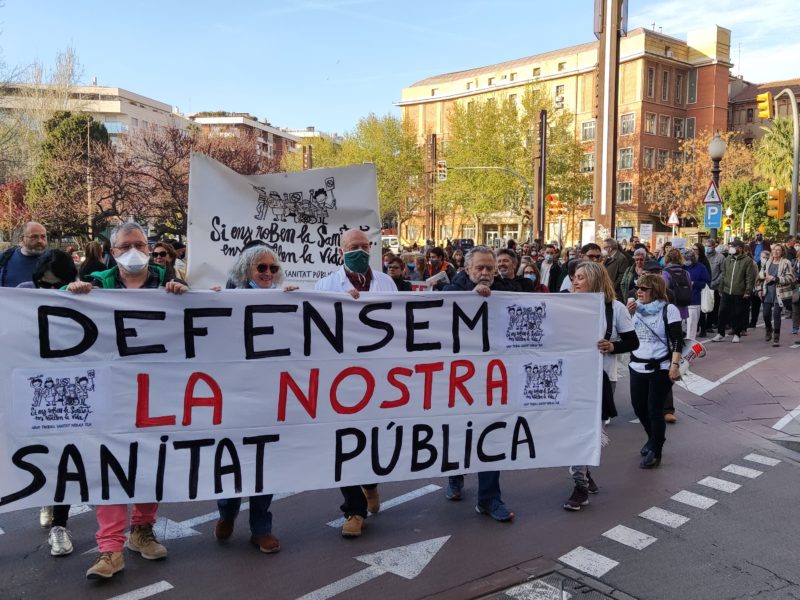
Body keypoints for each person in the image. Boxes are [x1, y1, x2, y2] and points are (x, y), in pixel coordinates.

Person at [67, 222, 188, 579]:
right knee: (110, 465)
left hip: (158, 392)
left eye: (140, 244)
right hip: (110, 393)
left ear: (150, 249)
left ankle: (142, 529)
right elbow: (49, 314)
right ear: (112, 251)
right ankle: (109, 548)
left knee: (151, 460)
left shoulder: (171, 284)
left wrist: (186, 294)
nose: (133, 251)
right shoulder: (98, 283)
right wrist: (68, 292)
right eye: (124, 246)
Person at [213, 245, 296, 553]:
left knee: (265, 463)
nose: (268, 274)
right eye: (261, 268)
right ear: (246, 269)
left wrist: (298, 303)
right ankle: (227, 511)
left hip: (270, 397)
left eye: (273, 269)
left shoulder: (285, 298)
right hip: (234, 396)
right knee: (234, 461)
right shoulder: (226, 298)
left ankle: (261, 528)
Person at [315, 228, 395, 538]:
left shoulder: (386, 283)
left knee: (374, 438)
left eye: (364, 246)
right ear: (340, 251)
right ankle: (353, 510)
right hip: (342, 378)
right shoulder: (326, 286)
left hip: (380, 376)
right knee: (344, 441)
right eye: (353, 247)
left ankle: (371, 484)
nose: (359, 251)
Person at [442, 246, 514, 522]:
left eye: (490, 269)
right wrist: (467, 298)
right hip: (457, 379)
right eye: (479, 268)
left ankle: (489, 499)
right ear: (467, 270)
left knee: (490, 436)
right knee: (458, 432)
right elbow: (440, 302)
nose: (485, 273)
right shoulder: (454, 289)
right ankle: (455, 476)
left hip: (492, 379)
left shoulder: (507, 290)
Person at [17, 249, 79, 556]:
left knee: (64, 456)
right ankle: (45, 496)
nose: (51, 291)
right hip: (28, 390)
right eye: (46, 284)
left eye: (59, 285)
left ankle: (60, 524)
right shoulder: (21, 297)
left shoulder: (81, 298)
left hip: (67, 393)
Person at [563, 261, 638, 511]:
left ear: (594, 280)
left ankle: (580, 484)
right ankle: (581, 478)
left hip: (600, 379)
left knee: (587, 431)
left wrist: (612, 346)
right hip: (570, 377)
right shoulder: (565, 304)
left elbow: (632, 342)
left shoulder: (615, 309)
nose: (575, 281)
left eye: (581, 277)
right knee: (574, 431)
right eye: (574, 277)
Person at [627, 273, 684, 469]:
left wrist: (674, 365)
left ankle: (656, 450)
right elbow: (623, 333)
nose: (639, 292)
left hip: (660, 367)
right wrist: (627, 314)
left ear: (656, 290)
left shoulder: (669, 309)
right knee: (638, 407)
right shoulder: (634, 309)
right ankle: (653, 438)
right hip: (636, 365)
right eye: (638, 288)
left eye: (644, 289)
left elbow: (677, 340)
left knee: (654, 410)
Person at [712, 240, 754, 344]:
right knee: (722, 312)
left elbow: (749, 277)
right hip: (726, 290)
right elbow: (724, 274)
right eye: (732, 246)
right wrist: (721, 288)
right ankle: (720, 334)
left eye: (735, 246)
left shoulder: (747, 260)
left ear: (740, 248)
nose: (733, 248)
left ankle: (737, 334)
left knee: (737, 313)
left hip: (739, 291)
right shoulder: (728, 259)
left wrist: (747, 291)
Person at [757, 244, 795, 347]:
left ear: (782, 252)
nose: (776, 252)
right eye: (774, 250)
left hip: (780, 292)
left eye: (778, 250)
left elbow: (790, 278)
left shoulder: (786, 262)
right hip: (768, 291)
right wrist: (760, 288)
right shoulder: (768, 262)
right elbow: (760, 276)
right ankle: (769, 329)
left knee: (776, 315)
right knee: (765, 314)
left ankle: (776, 337)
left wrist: (776, 278)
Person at [0, 221, 48, 287]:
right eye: (34, 237)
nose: (40, 241)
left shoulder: (54, 260)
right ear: (21, 239)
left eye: (43, 236)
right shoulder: (4, 258)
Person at [682, 248, 710, 340]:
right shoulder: (681, 267)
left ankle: (690, 345)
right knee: (680, 326)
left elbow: (706, 282)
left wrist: (694, 283)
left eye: (688, 260)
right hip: (680, 300)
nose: (686, 262)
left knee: (691, 326)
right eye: (685, 259)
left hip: (694, 300)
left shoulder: (701, 267)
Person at [704, 239, 725, 333]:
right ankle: (702, 326)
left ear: (714, 246)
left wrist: (715, 282)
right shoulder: (703, 257)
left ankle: (709, 325)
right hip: (704, 286)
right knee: (703, 306)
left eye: (709, 246)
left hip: (714, 286)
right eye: (706, 246)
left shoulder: (720, 257)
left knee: (713, 307)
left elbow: (723, 272)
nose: (707, 248)